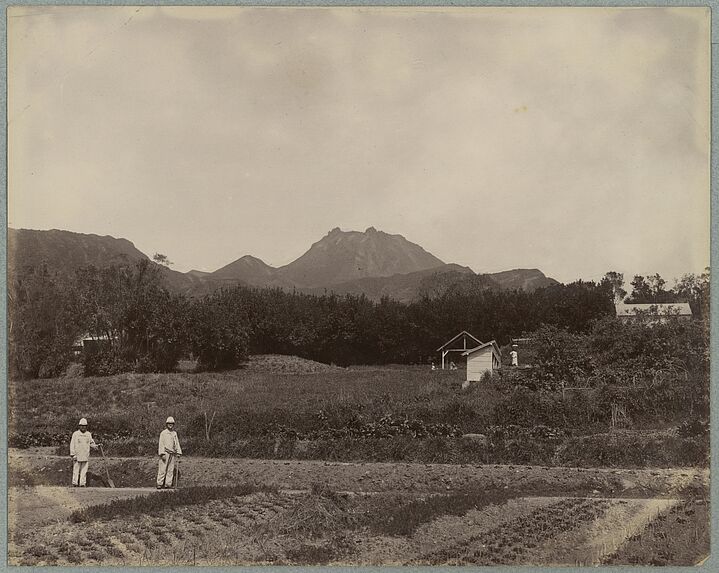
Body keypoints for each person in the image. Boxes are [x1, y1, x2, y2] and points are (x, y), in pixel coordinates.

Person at [70, 418, 99, 487]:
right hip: (77, 455)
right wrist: (72, 454)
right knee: (76, 470)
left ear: (86, 426)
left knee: (84, 470)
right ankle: (75, 483)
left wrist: (96, 446)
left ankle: (82, 483)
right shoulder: (75, 434)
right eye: (81, 426)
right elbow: (72, 444)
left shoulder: (88, 434)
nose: (83, 427)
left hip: (85, 455)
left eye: (84, 426)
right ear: (79, 426)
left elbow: (91, 443)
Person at [157, 416, 182, 489]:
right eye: (169, 423)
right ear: (166, 424)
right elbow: (161, 444)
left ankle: (168, 484)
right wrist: (162, 454)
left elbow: (176, 443)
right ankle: (159, 483)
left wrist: (178, 452)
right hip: (165, 452)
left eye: (172, 424)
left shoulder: (174, 433)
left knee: (170, 470)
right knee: (162, 468)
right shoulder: (163, 433)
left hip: (172, 453)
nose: (170, 425)